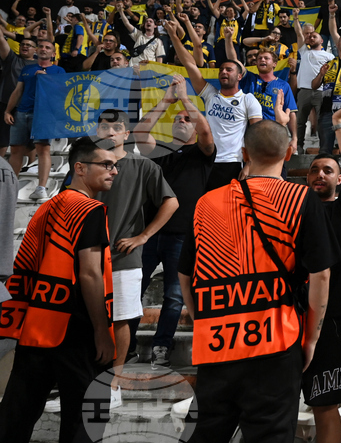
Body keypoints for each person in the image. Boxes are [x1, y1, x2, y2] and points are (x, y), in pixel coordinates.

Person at [178, 121, 335, 443]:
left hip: (216, 342)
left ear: (244, 153)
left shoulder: (206, 203)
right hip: (274, 342)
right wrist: (311, 340)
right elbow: (321, 274)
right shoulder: (300, 198)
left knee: (207, 433)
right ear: (290, 152)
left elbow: (185, 273)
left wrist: (201, 322)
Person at [0, 137, 117, 443]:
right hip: (74, 327)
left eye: (114, 165)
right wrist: (102, 331)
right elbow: (90, 274)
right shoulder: (90, 210)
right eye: (105, 164)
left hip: (38, 323)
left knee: (18, 412)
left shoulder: (48, 205)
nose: (113, 170)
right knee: (85, 418)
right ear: (79, 168)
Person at [92, 109, 178, 401]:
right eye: (104, 127)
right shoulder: (86, 165)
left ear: (126, 135)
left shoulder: (143, 166)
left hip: (123, 256)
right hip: (87, 255)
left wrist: (143, 236)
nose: (110, 132)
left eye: (116, 127)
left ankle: (112, 386)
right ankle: (87, 380)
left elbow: (171, 202)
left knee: (121, 319)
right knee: (89, 319)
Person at [132, 74, 216, 366]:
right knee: (133, 290)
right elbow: (140, 134)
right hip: (149, 233)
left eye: (187, 118)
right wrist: (166, 101)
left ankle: (161, 348)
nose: (182, 119)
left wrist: (184, 99)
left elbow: (206, 133)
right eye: (177, 118)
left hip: (183, 235)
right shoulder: (160, 153)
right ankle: (127, 345)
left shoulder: (203, 154)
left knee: (174, 296)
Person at [303, 95, 341, 443]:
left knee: (325, 405)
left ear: (339, 179)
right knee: (277, 402)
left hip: (332, 317)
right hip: (290, 314)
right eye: (314, 169)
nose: (320, 174)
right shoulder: (293, 209)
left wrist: (338, 123)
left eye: (328, 170)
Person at [164, 20, 263, 190]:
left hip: (232, 162)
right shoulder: (210, 94)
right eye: (221, 69)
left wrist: (250, 164)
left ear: (239, 76)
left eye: (229, 69)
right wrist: (174, 36)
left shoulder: (248, 100)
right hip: (205, 159)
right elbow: (189, 64)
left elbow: (257, 134)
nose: (223, 71)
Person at [4, 39, 65, 200]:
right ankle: (10, 186)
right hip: (22, 112)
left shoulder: (59, 71)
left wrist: (46, 79)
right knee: (16, 150)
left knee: (43, 150)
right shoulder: (27, 69)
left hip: (44, 115)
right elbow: (18, 91)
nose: (43, 49)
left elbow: (62, 94)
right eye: (41, 46)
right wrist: (8, 111)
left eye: (48, 48)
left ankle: (41, 187)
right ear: (37, 50)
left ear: (53, 54)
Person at [295, 10, 335, 153]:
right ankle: (299, 146)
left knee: (322, 122)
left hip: (321, 92)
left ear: (322, 40)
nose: (311, 38)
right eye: (309, 36)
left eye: (314, 36)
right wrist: (295, 18)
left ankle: (323, 147)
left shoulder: (329, 56)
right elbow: (299, 34)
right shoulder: (304, 51)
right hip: (304, 91)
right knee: (300, 122)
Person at [0, 33, 35, 159]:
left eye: (29, 45)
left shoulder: (39, 65)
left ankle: (30, 167)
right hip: (5, 104)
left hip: (29, 107)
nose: (25, 46)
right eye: (23, 44)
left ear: (35, 49)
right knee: (2, 139)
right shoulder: (12, 59)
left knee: (29, 143)